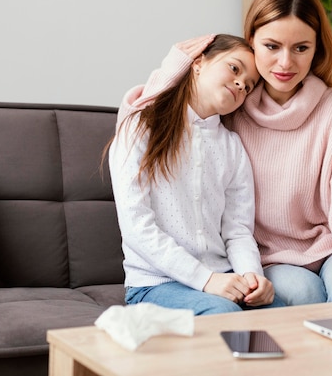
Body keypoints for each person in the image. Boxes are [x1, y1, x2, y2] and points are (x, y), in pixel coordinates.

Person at [117, 0, 332, 306]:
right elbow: (152, 115)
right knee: (303, 293)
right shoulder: (233, 104)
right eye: (272, 46)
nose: (285, 63)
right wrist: (179, 62)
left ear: (317, 51)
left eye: (301, 48)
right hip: (274, 257)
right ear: (252, 43)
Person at [109, 34, 284, 315]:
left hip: (223, 277)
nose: (241, 84)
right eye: (235, 68)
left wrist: (253, 277)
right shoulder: (141, 127)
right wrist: (206, 280)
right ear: (199, 63)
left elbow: (237, 230)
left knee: (288, 317)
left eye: (249, 86)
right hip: (157, 284)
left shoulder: (233, 147)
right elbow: (136, 227)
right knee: (224, 315)